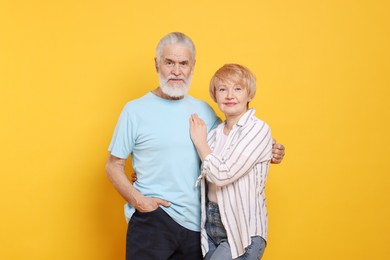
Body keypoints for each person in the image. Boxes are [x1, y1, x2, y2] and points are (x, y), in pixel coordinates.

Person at [105, 32, 285, 260]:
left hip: (199, 228)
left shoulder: (205, 111)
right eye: (169, 62)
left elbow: (235, 139)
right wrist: (139, 201)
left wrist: (271, 148)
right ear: (157, 64)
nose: (176, 71)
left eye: (183, 63)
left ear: (192, 66)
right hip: (153, 220)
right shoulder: (134, 110)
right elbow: (113, 165)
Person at [189, 64, 272, 259]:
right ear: (215, 95)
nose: (229, 95)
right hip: (211, 225)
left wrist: (200, 142)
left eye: (237, 88)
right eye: (222, 89)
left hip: (242, 227)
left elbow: (222, 174)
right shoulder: (214, 135)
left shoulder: (258, 129)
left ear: (249, 94)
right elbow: (198, 171)